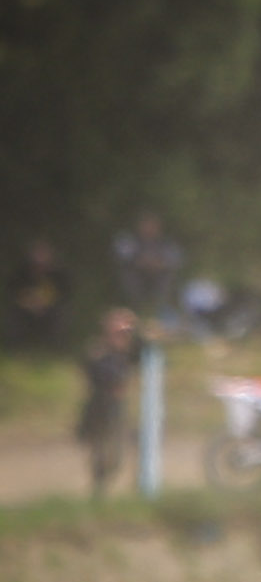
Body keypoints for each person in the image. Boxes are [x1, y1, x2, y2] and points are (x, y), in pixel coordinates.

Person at [76, 307, 140, 499]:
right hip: (100, 405)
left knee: (117, 454)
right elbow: (97, 373)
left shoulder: (126, 352)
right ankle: (98, 490)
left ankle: (102, 487)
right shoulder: (99, 351)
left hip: (116, 406)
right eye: (119, 332)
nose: (123, 336)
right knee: (101, 450)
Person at [112, 213, 183, 321]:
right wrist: (140, 262)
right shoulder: (130, 240)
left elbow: (176, 259)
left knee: (168, 278)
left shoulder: (166, 242)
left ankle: (160, 309)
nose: (149, 228)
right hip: (136, 274)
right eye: (146, 224)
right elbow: (122, 256)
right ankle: (134, 308)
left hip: (159, 275)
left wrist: (160, 264)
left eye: (153, 225)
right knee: (128, 276)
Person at [6, 235, 69, 351]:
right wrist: (28, 303)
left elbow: (65, 293)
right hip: (25, 307)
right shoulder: (22, 272)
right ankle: (15, 347)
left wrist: (46, 304)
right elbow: (12, 290)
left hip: (50, 307)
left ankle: (55, 348)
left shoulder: (58, 274)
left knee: (59, 315)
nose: (40, 261)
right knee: (14, 316)